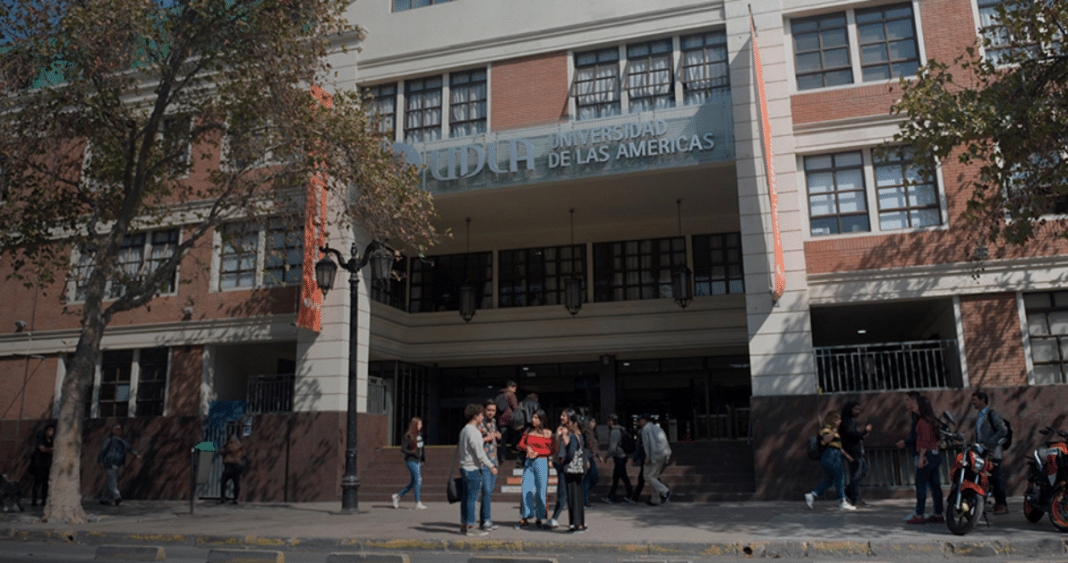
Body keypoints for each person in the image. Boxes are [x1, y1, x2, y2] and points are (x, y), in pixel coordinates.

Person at [895, 391, 944, 524]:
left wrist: (921, 457)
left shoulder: (922, 421)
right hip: (935, 454)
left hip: (926, 455)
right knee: (935, 485)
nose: (912, 405)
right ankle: (938, 513)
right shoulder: (931, 420)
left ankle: (919, 514)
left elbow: (924, 441)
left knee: (921, 485)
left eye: (915, 403)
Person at [804, 410, 856, 511]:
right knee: (840, 477)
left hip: (833, 455)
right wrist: (834, 432)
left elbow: (837, 446)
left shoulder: (833, 431)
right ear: (833, 420)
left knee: (829, 480)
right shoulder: (826, 429)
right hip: (831, 455)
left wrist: (847, 456)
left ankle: (812, 495)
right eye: (838, 419)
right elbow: (826, 440)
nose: (840, 421)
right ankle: (842, 502)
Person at [459, 403, 498, 536]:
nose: (483, 416)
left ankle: (464, 524)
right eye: (481, 414)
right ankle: (471, 527)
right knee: (472, 498)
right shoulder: (473, 431)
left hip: (464, 467)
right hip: (472, 468)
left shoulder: (464, 430)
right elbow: (480, 453)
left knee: (465, 497)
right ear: (476, 416)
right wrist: (491, 466)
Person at [514, 409, 555, 530]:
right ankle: (524, 518)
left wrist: (538, 452)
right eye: (533, 417)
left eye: (536, 418)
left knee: (541, 491)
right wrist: (527, 448)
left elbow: (552, 450)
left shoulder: (548, 433)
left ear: (542, 420)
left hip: (541, 462)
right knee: (526, 489)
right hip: (529, 462)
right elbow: (519, 445)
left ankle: (539, 518)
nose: (533, 420)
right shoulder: (528, 431)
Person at [972, 391, 1009, 514]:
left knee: (995, 479)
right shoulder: (979, 416)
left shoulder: (991, 414)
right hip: (983, 454)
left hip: (993, 454)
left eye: (975, 400)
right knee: (983, 479)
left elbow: (1003, 430)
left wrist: (987, 444)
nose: (973, 403)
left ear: (983, 400)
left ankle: (1002, 505)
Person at [97, 424, 142, 506]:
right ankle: (117, 497)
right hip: (109, 463)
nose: (119, 431)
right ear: (113, 431)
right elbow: (102, 451)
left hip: (118, 464)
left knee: (110, 481)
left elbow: (129, 448)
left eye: (120, 429)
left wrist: (136, 454)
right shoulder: (109, 439)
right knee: (113, 482)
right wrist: (100, 461)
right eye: (117, 429)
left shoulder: (123, 440)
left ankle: (104, 499)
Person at [558, 410, 588, 532]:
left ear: (574, 423)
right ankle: (581, 522)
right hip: (579, 470)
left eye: (569, 422)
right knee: (579, 497)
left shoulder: (574, 436)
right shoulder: (580, 435)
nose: (567, 425)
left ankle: (577, 524)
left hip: (571, 470)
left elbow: (571, 453)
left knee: (573, 497)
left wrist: (564, 438)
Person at [839, 401, 872, 507]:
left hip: (856, 451)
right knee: (858, 473)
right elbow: (852, 435)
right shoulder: (847, 421)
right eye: (856, 409)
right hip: (852, 452)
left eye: (859, 409)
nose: (858, 411)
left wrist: (863, 435)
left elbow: (854, 436)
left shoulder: (851, 421)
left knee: (862, 471)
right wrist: (864, 431)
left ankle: (852, 494)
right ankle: (852, 495)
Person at [392, 417, 426, 510]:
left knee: (413, 483)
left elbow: (422, 448)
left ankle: (397, 496)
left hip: (418, 461)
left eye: (421, 424)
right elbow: (403, 449)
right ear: (415, 425)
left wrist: (423, 459)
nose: (421, 426)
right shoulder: (409, 436)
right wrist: (412, 452)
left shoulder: (420, 435)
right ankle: (418, 502)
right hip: (411, 460)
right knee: (418, 480)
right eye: (419, 424)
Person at [638, 414, 672, 506]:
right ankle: (655, 499)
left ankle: (665, 491)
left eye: (640, 420)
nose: (639, 422)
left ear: (644, 420)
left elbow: (648, 445)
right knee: (654, 476)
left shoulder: (646, 429)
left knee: (647, 476)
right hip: (663, 454)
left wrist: (648, 457)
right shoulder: (656, 427)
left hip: (655, 455)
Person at [478, 400, 501, 529]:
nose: (491, 413)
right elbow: (475, 443)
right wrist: (487, 438)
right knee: (486, 491)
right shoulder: (479, 423)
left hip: (494, 462)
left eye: (493, 410)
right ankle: (486, 520)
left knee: (489, 492)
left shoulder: (494, 422)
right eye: (489, 410)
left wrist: (497, 435)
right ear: (484, 410)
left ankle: (483, 520)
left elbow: (495, 437)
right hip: (484, 463)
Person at [601, 414, 633, 504]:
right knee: (617, 477)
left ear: (611, 422)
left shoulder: (615, 431)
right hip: (622, 456)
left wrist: (606, 456)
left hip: (620, 457)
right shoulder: (621, 429)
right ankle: (612, 496)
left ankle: (630, 495)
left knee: (621, 477)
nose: (607, 423)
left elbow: (612, 448)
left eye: (608, 421)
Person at [30, 425, 55, 507]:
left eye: (52, 431)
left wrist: (50, 450)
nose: (51, 432)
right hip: (39, 464)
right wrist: (50, 449)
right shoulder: (41, 438)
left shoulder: (52, 440)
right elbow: (42, 449)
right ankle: (34, 501)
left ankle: (44, 500)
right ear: (46, 431)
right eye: (49, 430)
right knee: (37, 483)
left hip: (48, 465)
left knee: (45, 484)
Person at [496, 381, 519, 460]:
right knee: (517, 433)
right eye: (514, 387)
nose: (515, 389)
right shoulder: (511, 395)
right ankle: (514, 448)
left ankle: (502, 455)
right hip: (510, 419)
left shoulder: (499, 396)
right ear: (510, 386)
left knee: (503, 439)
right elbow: (515, 408)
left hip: (502, 420)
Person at [581, 417, 601, 508]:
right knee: (588, 479)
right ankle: (584, 500)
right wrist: (586, 460)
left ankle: (582, 496)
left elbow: (593, 447)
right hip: (586, 458)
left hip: (590, 457)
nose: (594, 424)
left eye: (594, 421)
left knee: (592, 478)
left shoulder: (591, 433)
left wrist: (598, 455)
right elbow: (583, 448)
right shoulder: (584, 433)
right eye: (592, 421)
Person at [219, 434, 244, 504]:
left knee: (223, 481)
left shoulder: (230, 445)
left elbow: (222, 452)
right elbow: (242, 454)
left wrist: (222, 449)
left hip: (230, 465)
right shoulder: (240, 446)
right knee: (236, 483)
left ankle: (223, 498)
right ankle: (236, 499)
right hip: (238, 465)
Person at [629, 424, 645, 504]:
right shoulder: (653, 430)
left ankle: (664, 493)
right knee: (652, 477)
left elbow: (639, 447)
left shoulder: (642, 432)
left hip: (645, 459)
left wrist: (635, 459)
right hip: (651, 458)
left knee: (644, 478)